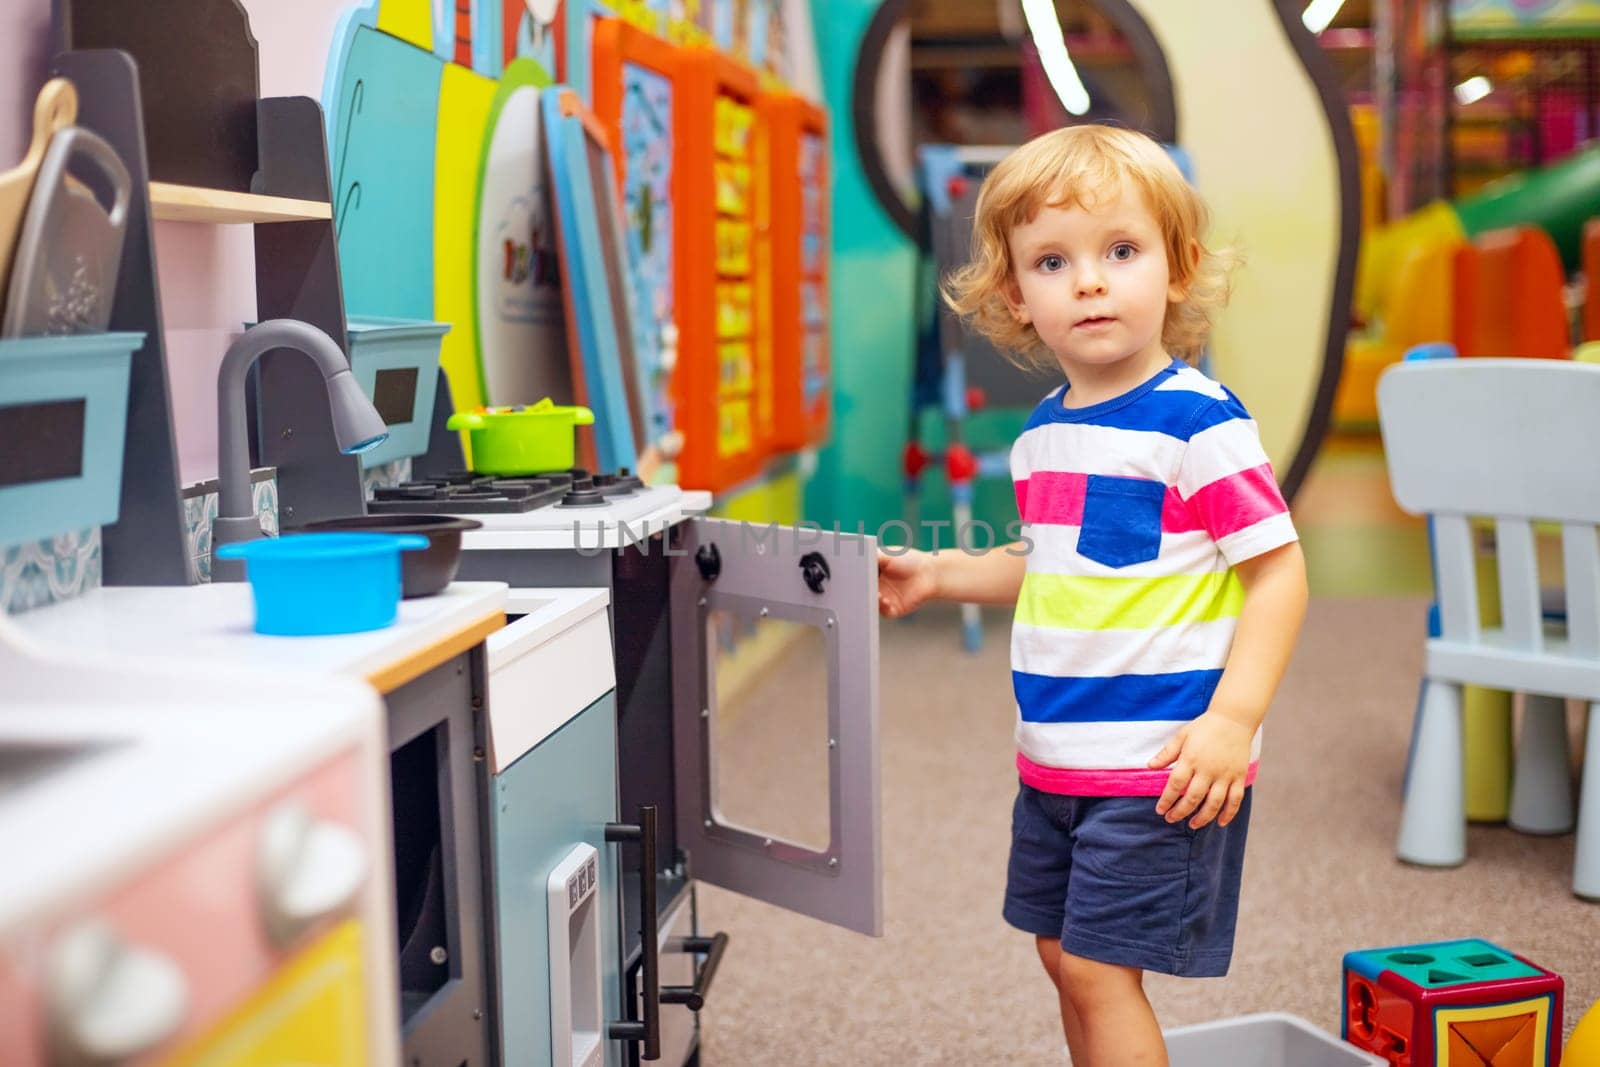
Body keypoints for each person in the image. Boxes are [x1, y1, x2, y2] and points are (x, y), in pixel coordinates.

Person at [877, 125, 1309, 1066]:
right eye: (1052, 260)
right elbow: (1053, 560)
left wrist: (1233, 719)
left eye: (1121, 251)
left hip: (1161, 763)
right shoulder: (1043, 433)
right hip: (1056, 756)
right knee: (1059, 952)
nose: (1089, 281)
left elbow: (1278, 570)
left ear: (1178, 268)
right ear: (1013, 297)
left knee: (1098, 971)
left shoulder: (1200, 423)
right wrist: (944, 571)